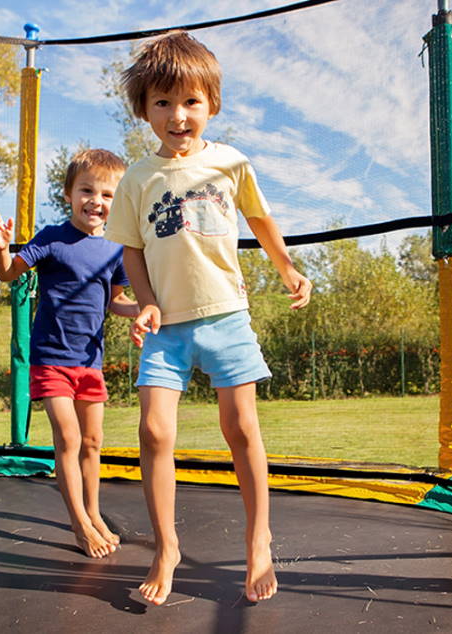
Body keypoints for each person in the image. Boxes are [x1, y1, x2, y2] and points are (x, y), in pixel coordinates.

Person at [105, 31, 313, 606]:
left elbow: (261, 220)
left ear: (211, 105)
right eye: (164, 103)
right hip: (166, 326)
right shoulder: (137, 178)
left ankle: (259, 537)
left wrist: (288, 269)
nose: (178, 115)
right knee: (153, 431)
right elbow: (131, 251)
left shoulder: (231, 162)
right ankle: (166, 546)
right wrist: (145, 300)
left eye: (191, 102)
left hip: (225, 316)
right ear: (145, 110)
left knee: (241, 427)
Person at [0, 148, 138, 559]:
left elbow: (117, 301)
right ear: (69, 194)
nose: (96, 201)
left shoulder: (115, 249)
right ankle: (78, 525)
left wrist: (142, 311)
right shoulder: (52, 238)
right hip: (52, 358)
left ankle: (93, 512)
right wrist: (2, 248)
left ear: (116, 202)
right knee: (69, 438)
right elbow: (8, 273)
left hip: (91, 362)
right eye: (87, 190)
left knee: (93, 441)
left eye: (107, 195)